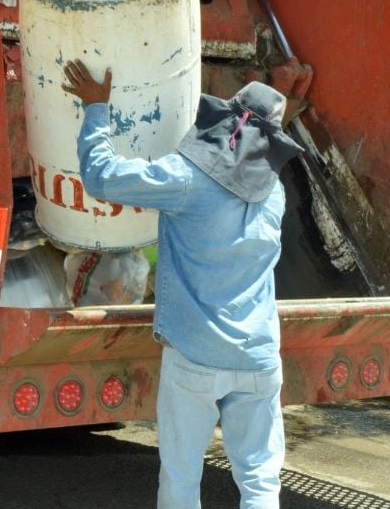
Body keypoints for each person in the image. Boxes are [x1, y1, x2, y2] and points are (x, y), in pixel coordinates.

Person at [61, 59, 302, 509]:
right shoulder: (275, 193)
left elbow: (101, 176)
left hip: (196, 357)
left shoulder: (186, 179)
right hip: (260, 359)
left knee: (181, 474)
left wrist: (97, 109)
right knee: (260, 480)